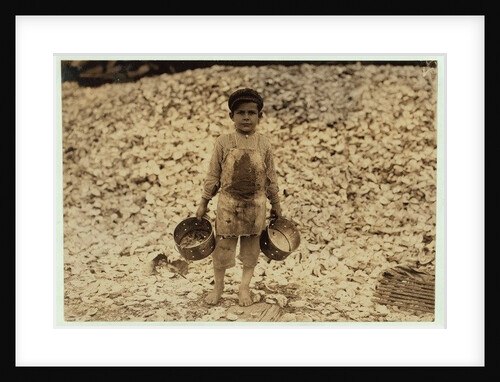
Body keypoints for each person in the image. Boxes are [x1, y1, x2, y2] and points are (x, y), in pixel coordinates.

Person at [196, 88, 283, 307]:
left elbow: (270, 178)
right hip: (228, 205)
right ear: (231, 116)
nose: (246, 117)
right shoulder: (223, 143)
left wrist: (277, 205)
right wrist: (203, 203)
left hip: (256, 206)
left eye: (251, 113)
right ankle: (219, 287)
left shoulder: (263, 144)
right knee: (222, 249)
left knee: (251, 250)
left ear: (259, 116)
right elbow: (213, 175)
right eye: (241, 112)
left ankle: (244, 288)